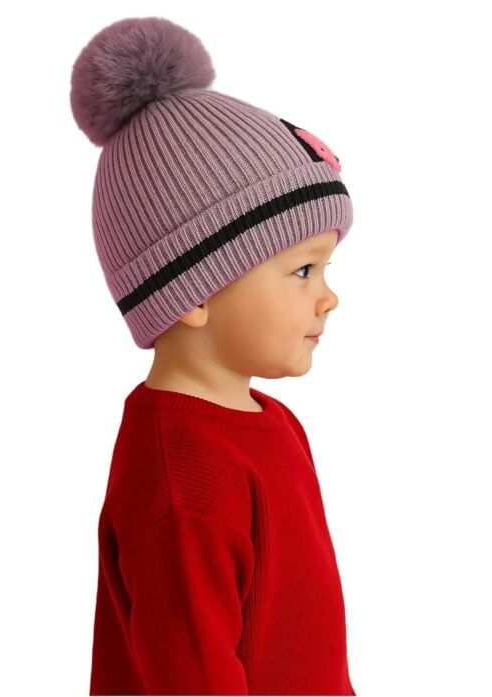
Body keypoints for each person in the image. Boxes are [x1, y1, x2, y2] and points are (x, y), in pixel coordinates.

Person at [70, 15, 356, 696]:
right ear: (194, 292)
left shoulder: (271, 422)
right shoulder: (183, 474)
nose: (329, 297)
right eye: (302, 270)